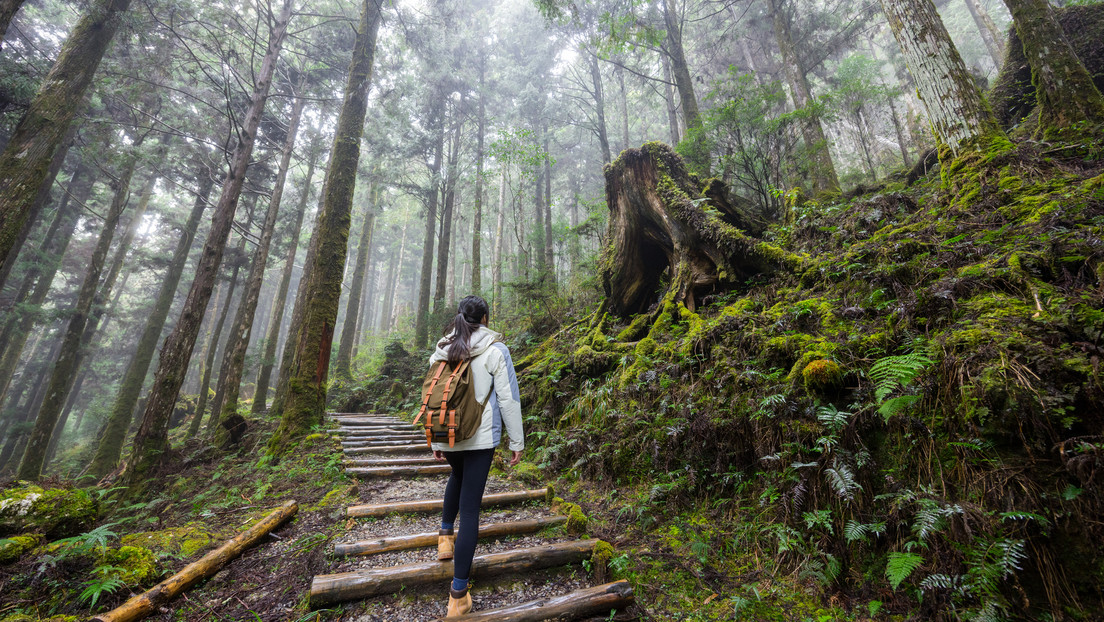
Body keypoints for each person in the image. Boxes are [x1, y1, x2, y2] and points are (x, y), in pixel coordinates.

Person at [429, 295, 524, 617]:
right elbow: (509, 400)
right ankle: (458, 595)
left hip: (449, 434)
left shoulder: (442, 349)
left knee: (456, 475)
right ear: (484, 318)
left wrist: (436, 441)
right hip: (480, 438)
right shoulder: (496, 349)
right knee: (470, 512)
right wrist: (517, 442)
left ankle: (444, 537)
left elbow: (433, 398)